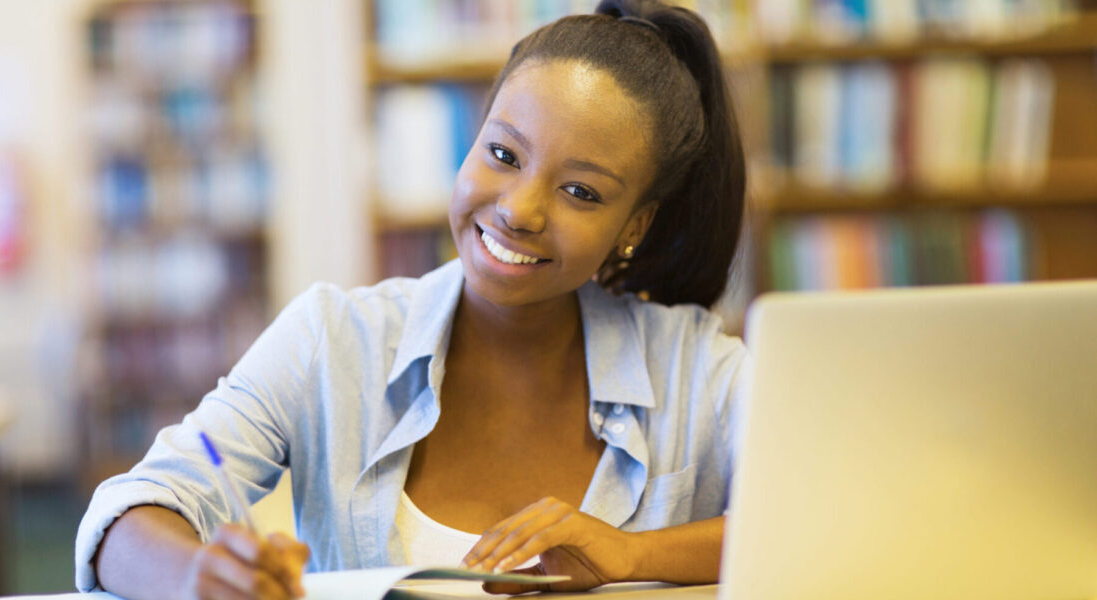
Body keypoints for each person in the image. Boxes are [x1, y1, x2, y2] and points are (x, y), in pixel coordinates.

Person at [76, 0, 750, 598]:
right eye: (504, 154)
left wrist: (633, 555)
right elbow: (132, 512)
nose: (519, 210)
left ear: (635, 224)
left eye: (581, 192)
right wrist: (195, 578)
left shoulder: (698, 368)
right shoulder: (332, 339)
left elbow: (832, 520)